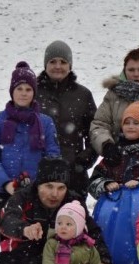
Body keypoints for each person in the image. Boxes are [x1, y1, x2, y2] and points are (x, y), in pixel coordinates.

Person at [0, 61, 60, 209]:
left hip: (38, 193)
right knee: (9, 232)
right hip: (5, 192)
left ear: (34, 92)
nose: (23, 93)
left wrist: (39, 184)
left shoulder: (46, 122)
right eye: (19, 88)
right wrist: (5, 183)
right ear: (12, 91)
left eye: (28, 89)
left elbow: (52, 156)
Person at [35, 41, 98, 199]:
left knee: (72, 219)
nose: (58, 66)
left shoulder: (82, 95)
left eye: (63, 62)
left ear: (70, 65)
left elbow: (94, 131)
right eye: (53, 62)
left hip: (73, 174)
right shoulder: (33, 93)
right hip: (38, 172)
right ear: (45, 64)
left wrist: (84, 160)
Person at [87, 102, 139, 198]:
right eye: (126, 123)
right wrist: (105, 184)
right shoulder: (114, 152)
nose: (130, 126)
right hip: (115, 204)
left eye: (136, 123)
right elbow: (93, 181)